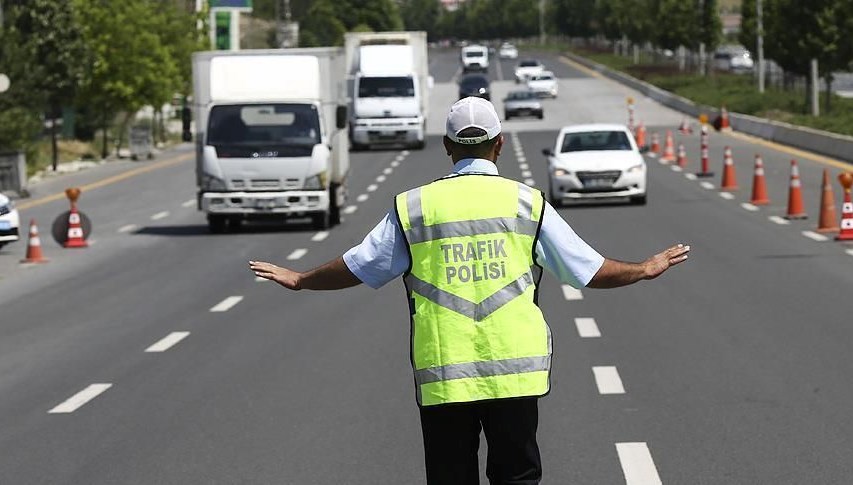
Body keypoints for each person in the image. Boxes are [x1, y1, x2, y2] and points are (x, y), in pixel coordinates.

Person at [249, 97, 690, 484]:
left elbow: (360, 266)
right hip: (515, 373)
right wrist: (644, 268)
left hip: (445, 373)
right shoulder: (526, 202)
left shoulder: (415, 207)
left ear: (447, 147)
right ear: (499, 145)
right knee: (516, 477)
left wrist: (301, 279)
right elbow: (588, 271)